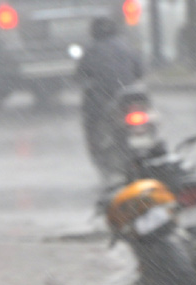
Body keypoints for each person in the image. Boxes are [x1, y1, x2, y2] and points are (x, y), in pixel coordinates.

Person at [75, 15, 143, 175]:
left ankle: (100, 155)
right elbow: (140, 71)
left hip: (101, 100)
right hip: (128, 97)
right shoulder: (126, 46)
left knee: (91, 126)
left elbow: (80, 75)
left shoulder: (91, 49)